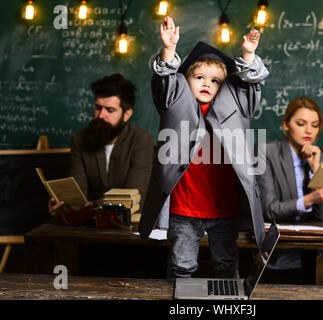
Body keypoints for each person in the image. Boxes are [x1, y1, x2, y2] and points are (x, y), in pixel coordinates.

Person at [139, 16, 269, 279]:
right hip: (184, 210)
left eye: (215, 80)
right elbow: (164, 77)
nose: (207, 83)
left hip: (224, 208)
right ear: (185, 81)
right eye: (199, 77)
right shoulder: (174, 102)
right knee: (181, 266)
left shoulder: (237, 107)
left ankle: (228, 304)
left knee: (225, 266)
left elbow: (251, 85)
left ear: (225, 86)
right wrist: (169, 49)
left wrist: (248, 54)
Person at [256, 96, 323, 280]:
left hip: (310, 247)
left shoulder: (322, 160)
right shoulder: (265, 152)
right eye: (301, 123)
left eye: (315, 125)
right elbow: (269, 209)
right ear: (286, 124)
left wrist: (316, 170)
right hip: (276, 248)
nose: (309, 130)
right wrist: (309, 200)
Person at [49, 73, 154, 216]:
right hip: (89, 223)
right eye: (98, 108)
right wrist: (64, 206)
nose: (101, 115)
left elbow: (132, 196)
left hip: (129, 223)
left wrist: (91, 206)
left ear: (127, 114)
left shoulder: (141, 140)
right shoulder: (79, 139)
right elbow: (78, 195)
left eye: (110, 110)